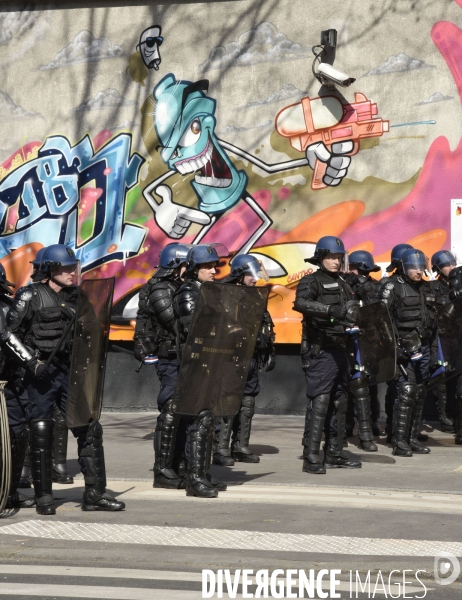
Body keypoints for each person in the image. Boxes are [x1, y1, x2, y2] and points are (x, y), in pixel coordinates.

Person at [6, 244, 125, 515]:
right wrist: (31, 362)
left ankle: (95, 494)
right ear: (50, 269)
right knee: (41, 431)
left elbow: (93, 332)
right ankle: (44, 496)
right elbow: (8, 334)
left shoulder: (77, 296)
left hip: (69, 373)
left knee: (90, 428)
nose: (74, 272)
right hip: (39, 376)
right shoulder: (29, 295)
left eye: (74, 267)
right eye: (67, 268)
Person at [293, 236, 362, 474]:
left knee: (339, 402)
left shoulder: (343, 282)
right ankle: (311, 456)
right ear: (321, 257)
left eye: (338, 257)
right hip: (321, 350)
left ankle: (334, 453)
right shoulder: (311, 281)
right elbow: (300, 303)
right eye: (331, 257)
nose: (335, 261)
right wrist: (331, 311)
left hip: (342, 349)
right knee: (320, 402)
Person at [134, 243, 190, 489]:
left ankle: (178, 464)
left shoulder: (178, 287)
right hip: (169, 358)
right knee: (170, 411)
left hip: (184, 358)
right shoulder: (161, 289)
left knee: (184, 412)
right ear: (175, 266)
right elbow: (176, 323)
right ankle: (163, 471)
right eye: (187, 264)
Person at [174, 244, 228, 498]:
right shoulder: (188, 292)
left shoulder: (209, 292)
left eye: (214, 265)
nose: (213, 270)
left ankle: (201, 472)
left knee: (208, 419)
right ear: (194, 269)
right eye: (207, 266)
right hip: (195, 363)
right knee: (199, 419)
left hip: (211, 361)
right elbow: (195, 327)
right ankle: (194, 479)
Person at [213, 254, 275, 466]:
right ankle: (220, 448)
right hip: (230, 357)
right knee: (228, 401)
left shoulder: (254, 295)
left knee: (248, 401)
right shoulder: (224, 294)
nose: (255, 279)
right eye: (251, 275)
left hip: (251, 356)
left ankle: (240, 446)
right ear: (240, 275)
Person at [378, 248, 436, 456]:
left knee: (420, 393)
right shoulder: (393, 287)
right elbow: (382, 320)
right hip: (403, 348)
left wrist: (434, 352)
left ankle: (412, 438)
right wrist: (396, 348)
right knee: (407, 391)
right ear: (403, 267)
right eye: (413, 267)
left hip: (424, 347)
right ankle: (399, 441)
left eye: (421, 267)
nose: (418, 271)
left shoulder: (426, 289)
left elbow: (434, 321)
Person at [344, 250, 383, 451]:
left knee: (366, 386)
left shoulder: (373, 286)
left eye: (354, 268)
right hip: (346, 341)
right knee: (347, 388)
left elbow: (375, 308)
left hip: (367, 341)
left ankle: (368, 430)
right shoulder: (344, 284)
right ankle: (347, 425)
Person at [429, 250, 456, 432]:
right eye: (447, 265)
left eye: (453, 263)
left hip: (458, 335)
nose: (452, 267)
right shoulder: (431, 287)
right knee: (441, 376)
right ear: (439, 268)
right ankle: (444, 416)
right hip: (440, 336)